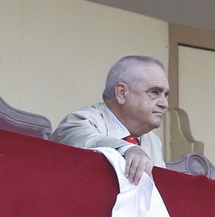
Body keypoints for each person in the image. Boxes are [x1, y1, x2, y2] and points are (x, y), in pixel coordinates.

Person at [53, 55, 169, 185]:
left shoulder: (153, 140)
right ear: (122, 93)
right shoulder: (79, 121)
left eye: (165, 95)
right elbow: (86, 140)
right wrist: (127, 149)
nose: (165, 104)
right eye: (154, 92)